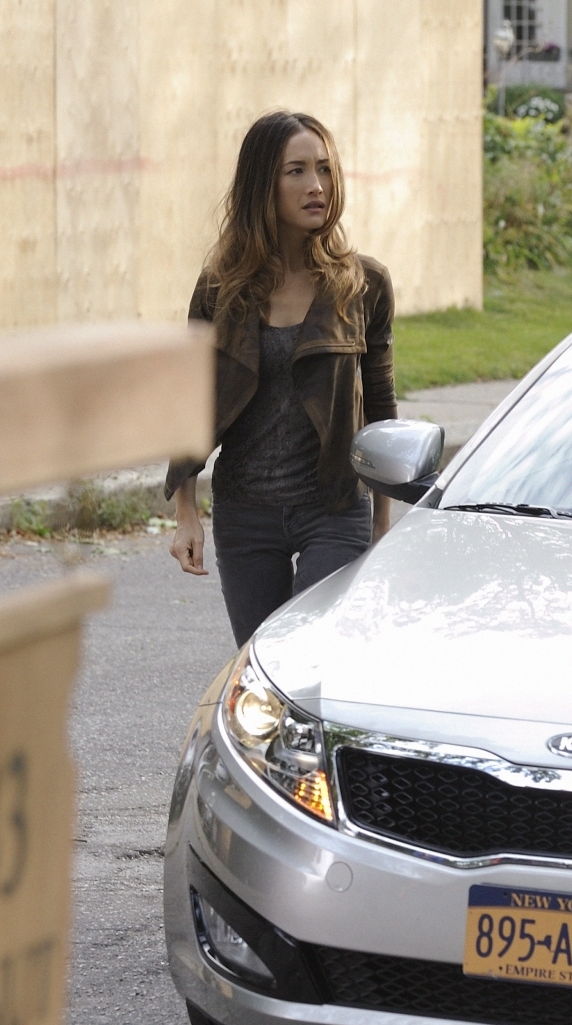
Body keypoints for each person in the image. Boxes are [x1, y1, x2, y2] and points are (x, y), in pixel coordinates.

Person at [167, 110, 398, 646]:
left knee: (308, 657)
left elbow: (381, 407)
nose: (316, 186)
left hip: (335, 510)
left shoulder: (365, 285)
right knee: (261, 669)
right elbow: (189, 401)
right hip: (246, 514)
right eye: (295, 171)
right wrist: (186, 515)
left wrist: (382, 522)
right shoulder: (220, 289)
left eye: (323, 169)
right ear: (261, 185)